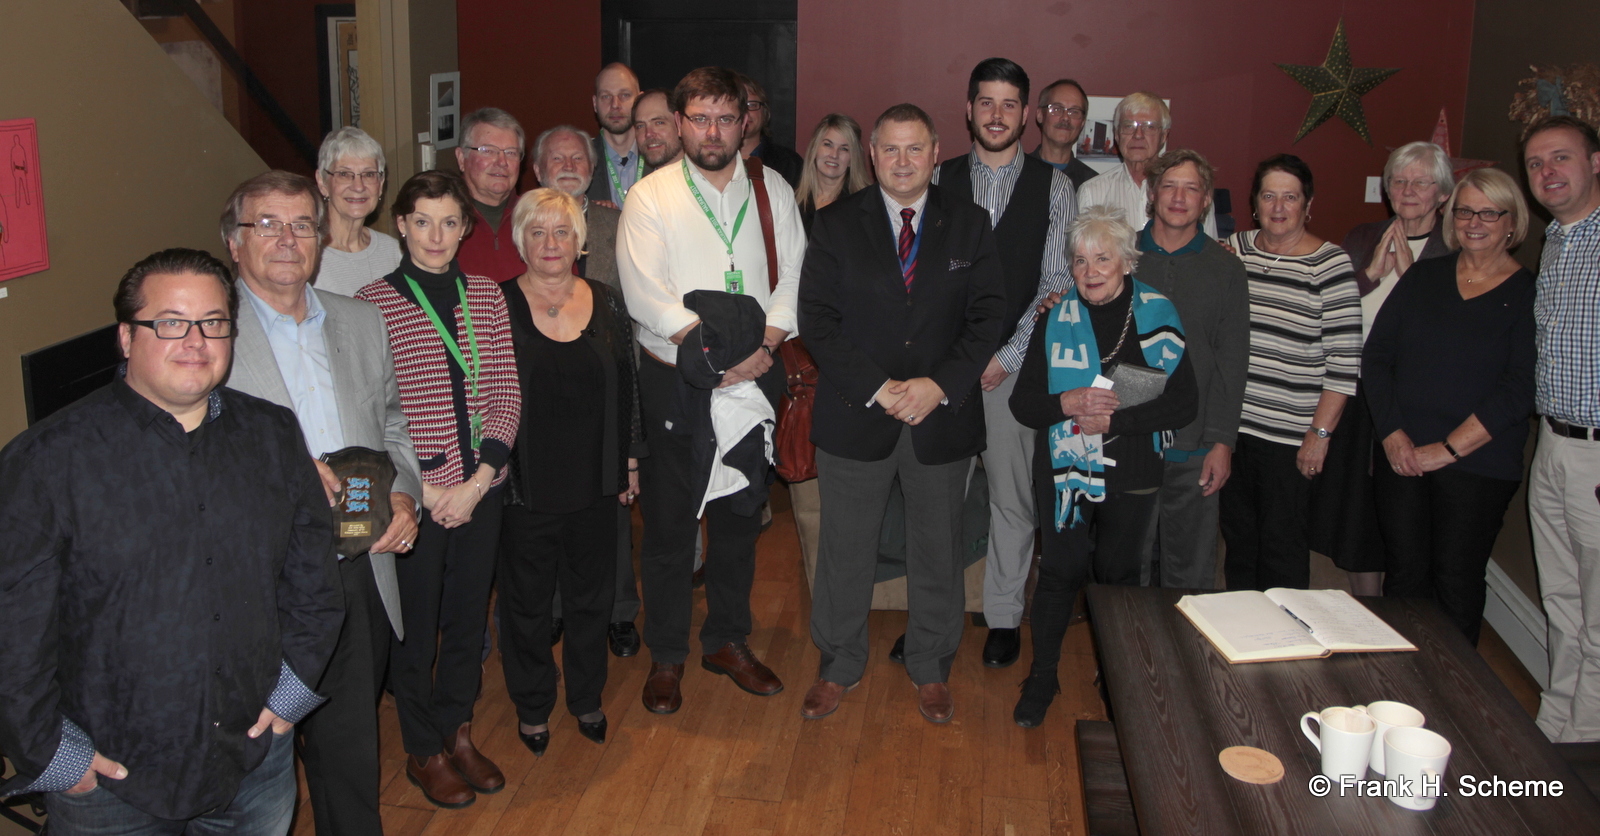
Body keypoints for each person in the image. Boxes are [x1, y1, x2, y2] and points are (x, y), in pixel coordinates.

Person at [0, 248, 343, 828]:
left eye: (213, 322)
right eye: (169, 323)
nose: (196, 341)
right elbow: (12, 630)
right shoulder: (46, 461)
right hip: (110, 783)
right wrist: (56, 757)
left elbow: (315, 581)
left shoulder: (272, 433)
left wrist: (290, 698)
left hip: (254, 760)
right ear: (127, 338)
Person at [222, 171, 422, 836]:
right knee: (254, 755)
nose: (287, 239)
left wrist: (402, 493)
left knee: (348, 748)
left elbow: (394, 424)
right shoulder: (206, 334)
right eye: (266, 224)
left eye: (302, 224)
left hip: (358, 560)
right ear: (234, 242)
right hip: (256, 576)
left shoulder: (363, 321)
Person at [798, 102, 1007, 724]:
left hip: (939, 420)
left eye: (914, 149)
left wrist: (937, 386)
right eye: (890, 149)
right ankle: (838, 663)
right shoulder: (836, 225)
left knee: (937, 548)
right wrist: (882, 388)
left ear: (935, 151)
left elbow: (987, 315)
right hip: (857, 413)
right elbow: (819, 322)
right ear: (873, 155)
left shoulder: (969, 224)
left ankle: (930, 665)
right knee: (845, 548)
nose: (902, 161)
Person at [617, 67, 803, 714]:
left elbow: (791, 282)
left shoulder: (771, 188)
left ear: (745, 120)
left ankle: (727, 639)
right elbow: (645, 294)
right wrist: (707, 358)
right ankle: (666, 655)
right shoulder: (651, 196)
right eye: (699, 118)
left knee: (737, 524)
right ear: (678, 122)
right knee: (670, 528)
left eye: (726, 117)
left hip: (753, 377)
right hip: (676, 381)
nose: (713, 131)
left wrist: (766, 349)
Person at [354, 171, 521, 808]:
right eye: (422, 221)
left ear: (464, 227)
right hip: (415, 498)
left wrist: (478, 481)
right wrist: (422, 490)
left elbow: (506, 392)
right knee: (414, 628)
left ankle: (458, 729)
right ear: (400, 224)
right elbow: (372, 411)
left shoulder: (485, 294)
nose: (436, 235)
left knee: (467, 616)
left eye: (450, 222)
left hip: (481, 487)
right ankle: (421, 746)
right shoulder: (371, 304)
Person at [1010, 206, 1196, 726]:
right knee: (1060, 572)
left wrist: (1114, 423)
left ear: (1127, 262)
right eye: (1079, 260)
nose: (1090, 270)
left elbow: (1184, 404)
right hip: (1065, 473)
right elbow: (1023, 405)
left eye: (1102, 258)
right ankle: (1043, 677)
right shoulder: (1053, 316)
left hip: (1134, 469)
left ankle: (1119, 678)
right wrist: (1066, 403)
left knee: (1117, 579)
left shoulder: (1160, 315)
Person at [930, 57, 1076, 669]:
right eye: (985, 102)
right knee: (937, 499)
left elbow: (1059, 280)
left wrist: (1007, 354)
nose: (996, 115)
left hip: (1013, 373)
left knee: (1012, 501)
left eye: (1009, 104)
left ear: (1027, 115)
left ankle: (1004, 618)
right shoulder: (937, 180)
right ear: (968, 110)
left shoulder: (1056, 187)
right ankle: (930, 621)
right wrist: (958, 362)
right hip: (944, 373)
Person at [498, 188, 644, 755]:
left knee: (591, 599)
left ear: (580, 241)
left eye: (561, 232)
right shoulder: (495, 303)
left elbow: (626, 382)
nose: (550, 244)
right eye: (537, 232)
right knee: (526, 604)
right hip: (522, 485)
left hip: (595, 480)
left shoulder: (606, 301)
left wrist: (630, 457)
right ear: (520, 241)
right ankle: (533, 705)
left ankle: (586, 698)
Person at [1363, 167, 1535, 644]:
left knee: (1455, 580)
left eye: (1488, 212)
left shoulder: (1526, 293)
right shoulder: (1424, 276)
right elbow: (1376, 357)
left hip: (1479, 465)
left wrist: (1450, 449)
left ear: (1511, 222)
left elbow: (1520, 388)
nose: (1473, 221)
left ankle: (1455, 698)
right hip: (1403, 455)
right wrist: (1392, 434)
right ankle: (1397, 687)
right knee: (1404, 576)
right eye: (1464, 211)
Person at [1315, 141, 1455, 595]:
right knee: (1358, 514)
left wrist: (1411, 276)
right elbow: (1328, 309)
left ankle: (1407, 611)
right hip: (1356, 395)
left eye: (1420, 182)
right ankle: (1367, 605)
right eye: (1399, 181)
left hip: (1414, 404)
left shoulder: (1454, 249)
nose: (1408, 190)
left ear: (1442, 193)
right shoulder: (1360, 238)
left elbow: (1449, 332)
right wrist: (1370, 274)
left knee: (1405, 520)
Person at [1221, 154, 1361, 591]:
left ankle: (1284, 649)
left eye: (1290, 197)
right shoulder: (1233, 251)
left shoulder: (1330, 264)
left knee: (1282, 548)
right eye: (1268, 196)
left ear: (1308, 204)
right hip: (1232, 432)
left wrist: (1318, 437)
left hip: (1290, 440)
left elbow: (1344, 364)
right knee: (1238, 542)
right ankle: (1241, 635)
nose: (1278, 207)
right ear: (1254, 202)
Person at [1134, 150, 1250, 590]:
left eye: (1191, 188)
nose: (1179, 197)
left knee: (1191, 573)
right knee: (1128, 566)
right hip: (1129, 440)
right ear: (1152, 193)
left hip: (1195, 445)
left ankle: (1185, 657)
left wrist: (1222, 442)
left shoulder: (1226, 270)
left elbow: (1231, 362)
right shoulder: (1121, 258)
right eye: (1169, 186)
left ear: (1205, 201)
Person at [1522, 115, 1600, 743]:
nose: (1548, 173)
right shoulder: (1557, 240)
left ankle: (1587, 742)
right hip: (1552, 442)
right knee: (1562, 599)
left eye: (1561, 158)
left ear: (1595, 163)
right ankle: (1557, 723)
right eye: (1536, 164)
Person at [1077, 92, 1217, 239]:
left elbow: (1209, 254)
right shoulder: (1092, 193)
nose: (1138, 135)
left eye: (1149, 127)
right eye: (1129, 126)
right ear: (1117, 135)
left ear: (1164, 136)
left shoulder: (1193, 194)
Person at [314, 127, 402, 297]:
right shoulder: (307, 254)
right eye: (344, 174)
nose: (358, 186)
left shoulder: (392, 251)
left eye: (369, 174)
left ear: (381, 183)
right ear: (322, 182)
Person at [454, 107, 528, 282]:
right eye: (488, 151)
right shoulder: (443, 222)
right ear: (460, 158)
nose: (502, 162)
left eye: (511, 153)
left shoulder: (536, 218)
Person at [793, 113, 871, 231]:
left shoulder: (865, 205)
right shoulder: (791, 201)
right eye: (828, 145)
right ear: (814, 149)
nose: (834, 155)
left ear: (852, 159)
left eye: (844, 149)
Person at [589, 62, 645, 206]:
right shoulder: (581, 161)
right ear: (595, 104)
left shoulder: (662, 157)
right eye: (606, 96)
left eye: (624, 95)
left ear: (639, 101)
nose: (615, 104)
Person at [1031, 78, 1099, 189]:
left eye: (1074, 112)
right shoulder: (1015, 174)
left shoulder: (1093, 185)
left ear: (1082, 122)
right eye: (1057, 109)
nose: (1065, 118)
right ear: (1040, 115)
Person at [737, 73, 803, 187]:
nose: (745, 113)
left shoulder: (790, 163)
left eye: (751, 105)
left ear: (765, 113)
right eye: (738, 105)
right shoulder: (711, 158)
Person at [634, 88, 684, 170]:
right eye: (640, 126)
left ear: (680, 123)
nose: (648, 134)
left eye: (659, 123)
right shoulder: (641, 182)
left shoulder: (707, 179)